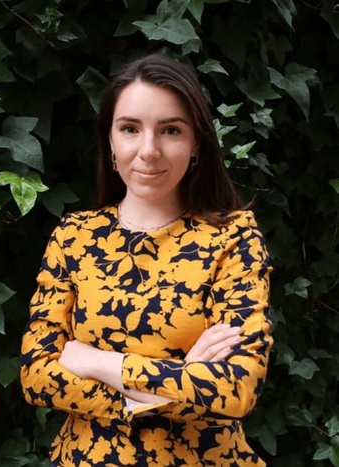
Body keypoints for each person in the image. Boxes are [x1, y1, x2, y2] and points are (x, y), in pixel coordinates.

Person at [20, 54, 273, 467]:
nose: (149, 150)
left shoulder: (234, 236)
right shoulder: (74, 235)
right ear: (111, 142)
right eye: (130, 129)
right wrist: (175, 380)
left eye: (171, 130)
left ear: (195, 145)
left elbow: (236, 389)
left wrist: (98, 361)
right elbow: (37, 376)